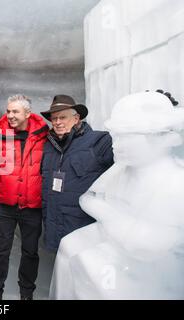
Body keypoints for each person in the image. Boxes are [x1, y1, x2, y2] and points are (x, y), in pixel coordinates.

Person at [50, 91, 184, 299]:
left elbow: (151, 245)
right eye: (116, 136)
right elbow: (89, 198)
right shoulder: (122, 169)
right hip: (103, 239)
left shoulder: (174, 181)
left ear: (158, 137)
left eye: (125, 137)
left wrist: (108, 214)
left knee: (90, 266)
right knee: (70, 247)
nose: (116, 144)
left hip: (151, 273)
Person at [0, 94, 48, 300]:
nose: (9, 115)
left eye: (15, 111)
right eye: (8, 111)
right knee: (0, 251)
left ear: (28, 113)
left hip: (32, 206)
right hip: (5, 205)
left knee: (30, 252)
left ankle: (26, 294)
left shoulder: (44, 135)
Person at [40, 95, 114, 252]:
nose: (57, 122)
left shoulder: (99, 142)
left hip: (82, 229)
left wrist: (148, 119)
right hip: (54, 224)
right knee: (61, 270)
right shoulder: (48, 146)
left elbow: (129, 155)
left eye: (63, 117)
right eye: (54, 119)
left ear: (76, 118)